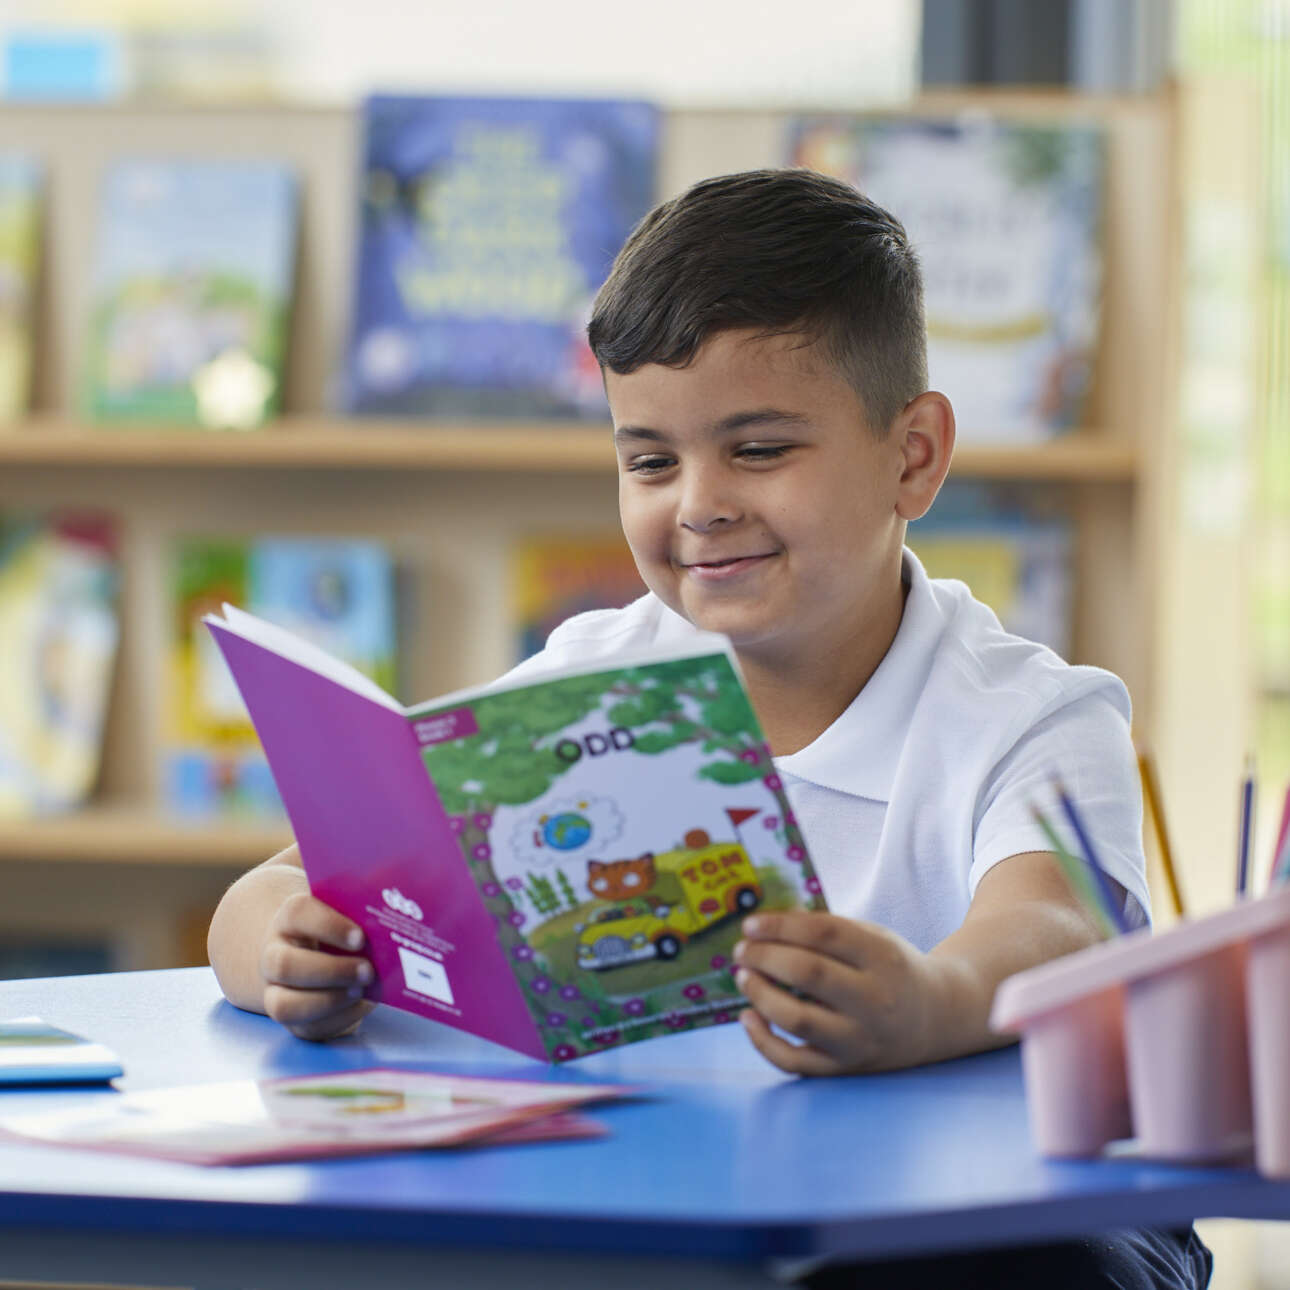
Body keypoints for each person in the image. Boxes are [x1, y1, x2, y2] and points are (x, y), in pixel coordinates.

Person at [207, 168, 1211, 1288]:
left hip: (992, 1217)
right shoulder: (584, 683)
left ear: (912, 457)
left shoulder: (1035, 715)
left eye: (761, 449)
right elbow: (265, 896)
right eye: (649, 460)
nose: (698, 504)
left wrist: (924, 1003)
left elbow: (1057, 931)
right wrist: (283, 950)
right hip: (681, 1195)